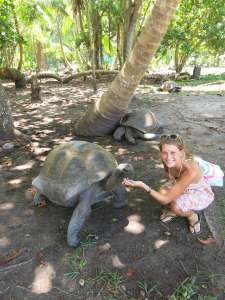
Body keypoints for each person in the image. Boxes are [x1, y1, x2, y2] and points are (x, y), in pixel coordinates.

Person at [123, 134, 215, 234]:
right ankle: (177, 208)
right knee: (161, 193)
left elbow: (165, 199)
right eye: (165, 153)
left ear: (181, 152)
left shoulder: (190, 170)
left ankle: (192, 216)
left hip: (199, 191)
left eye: (173, 152)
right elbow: (168, 174)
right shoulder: (166, 160)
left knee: (174, 205)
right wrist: (179, 189)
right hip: (180, 184)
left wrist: (143, 185)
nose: (168, 157)